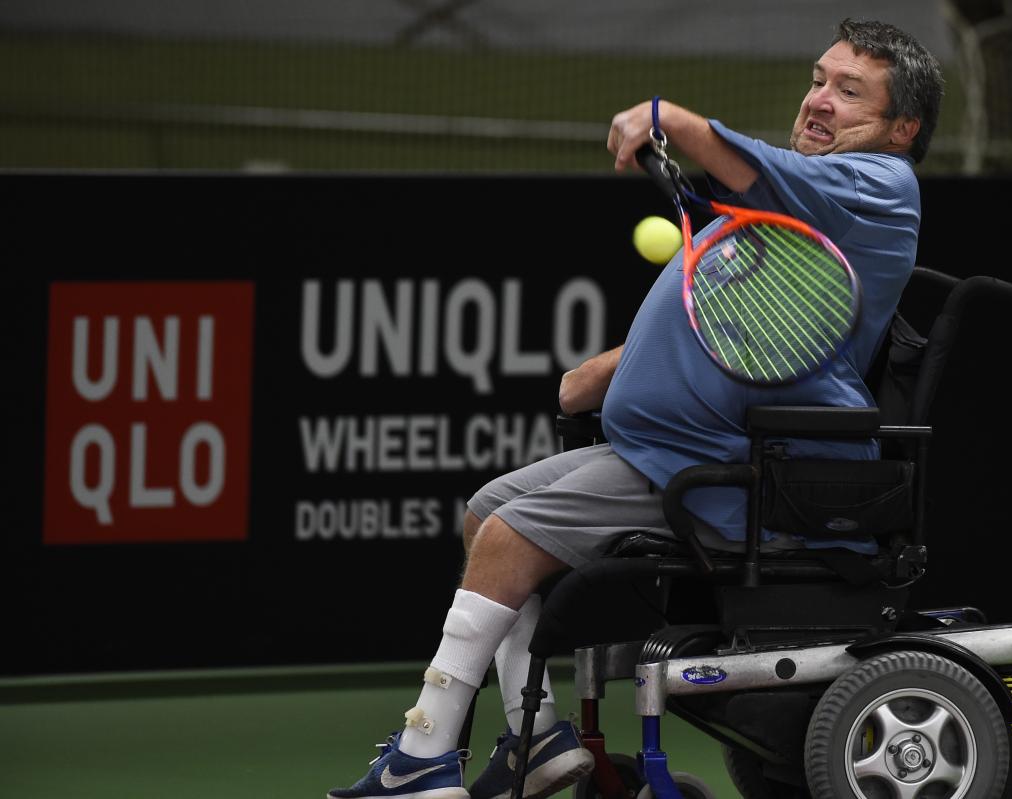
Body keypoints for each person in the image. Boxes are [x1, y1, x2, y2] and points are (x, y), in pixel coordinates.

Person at [328, 18, 943, 799]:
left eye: (849, 91)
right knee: (488, 514)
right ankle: (536, 734)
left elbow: (754, 175)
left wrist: (672, 118)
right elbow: (736, 319)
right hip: (674, 450)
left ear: (902, 128)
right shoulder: (801, 209)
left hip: (744, 469)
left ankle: (422, 758)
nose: (819, 100)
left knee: (513, 536)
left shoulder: (878, 187)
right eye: (819, 79)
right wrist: (609, 370)